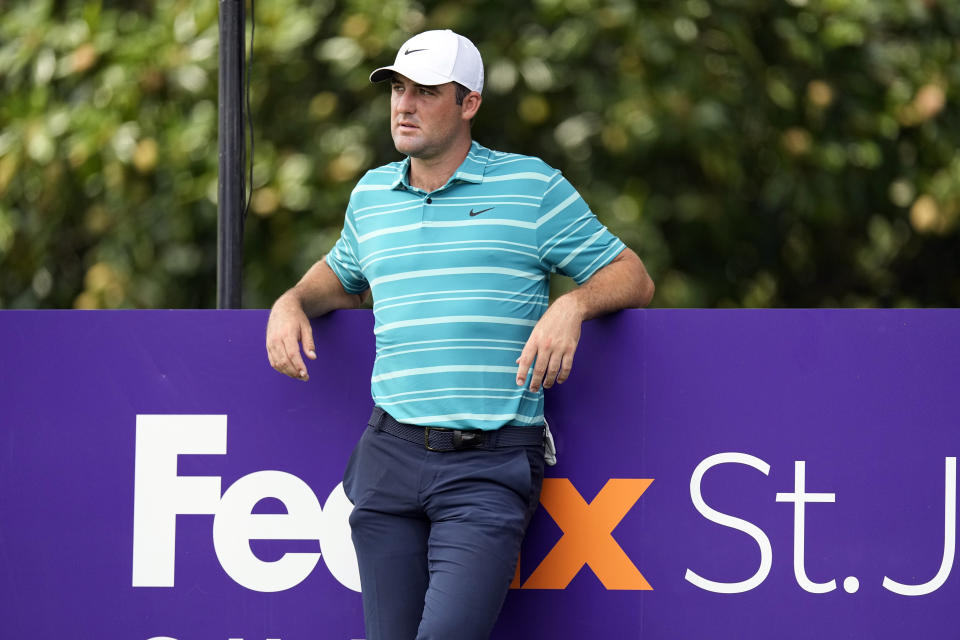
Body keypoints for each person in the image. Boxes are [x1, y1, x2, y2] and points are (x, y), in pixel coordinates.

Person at [265, 29, 654, 640]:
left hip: (489, 463)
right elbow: (343, 276)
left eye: (425, 91)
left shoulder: (532, 188)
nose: (404, 105)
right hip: (389, 455)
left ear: (468, 102)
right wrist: (292, 301)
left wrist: (572, 305)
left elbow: (631, 274)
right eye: (397, 88)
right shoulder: (371, 194)